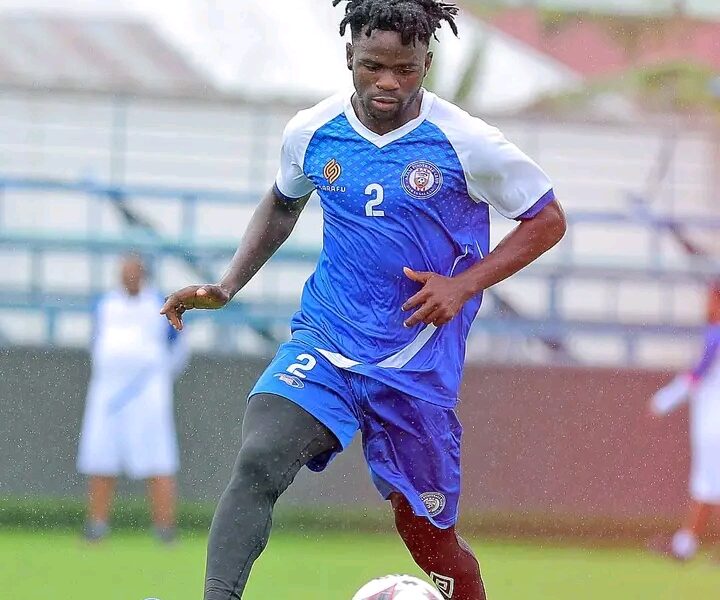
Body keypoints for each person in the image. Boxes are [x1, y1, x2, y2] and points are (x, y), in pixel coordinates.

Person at [161, 1, 566, 598]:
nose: (387, 82)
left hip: (414, 363)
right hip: (326, 341)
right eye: (373, 65)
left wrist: (463, 284)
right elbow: (283, 203)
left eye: (405, 69)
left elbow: (547, 219)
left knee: (429, 538)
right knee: (258, 461)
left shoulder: (467, 142)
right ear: (349, 55)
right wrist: (227, 285)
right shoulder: (313, 131)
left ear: (426, 64)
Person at [77, 254, 188, 543]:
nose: (128, 277)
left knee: (158, 458)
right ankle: (96, 526)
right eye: (124, 272)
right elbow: (95, 342)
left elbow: (178, 348)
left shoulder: (160, 305)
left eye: (133, 271)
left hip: (148, 394)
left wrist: (156, 378)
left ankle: (165, 530)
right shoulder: (105, 305)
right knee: (101, 457)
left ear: (143, 274)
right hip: (107, 393)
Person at [648, 282, 720, 561]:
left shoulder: (716, 335)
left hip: (713, 424)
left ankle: (684, 546)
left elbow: (696, 375)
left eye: (711, 299)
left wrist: (663, 400)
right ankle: (685, 544)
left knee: (707, 484)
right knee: (708, 484)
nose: (707, 304)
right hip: (711, 421)